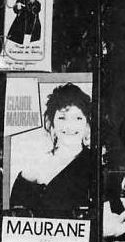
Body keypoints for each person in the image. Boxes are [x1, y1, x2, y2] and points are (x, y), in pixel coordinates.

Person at [10, 84, 91, 216]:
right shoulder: (35, 165)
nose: (70, 126)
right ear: (51, 122)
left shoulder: (93, 164)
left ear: (87, 124)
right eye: (62, 118)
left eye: (78, 118)